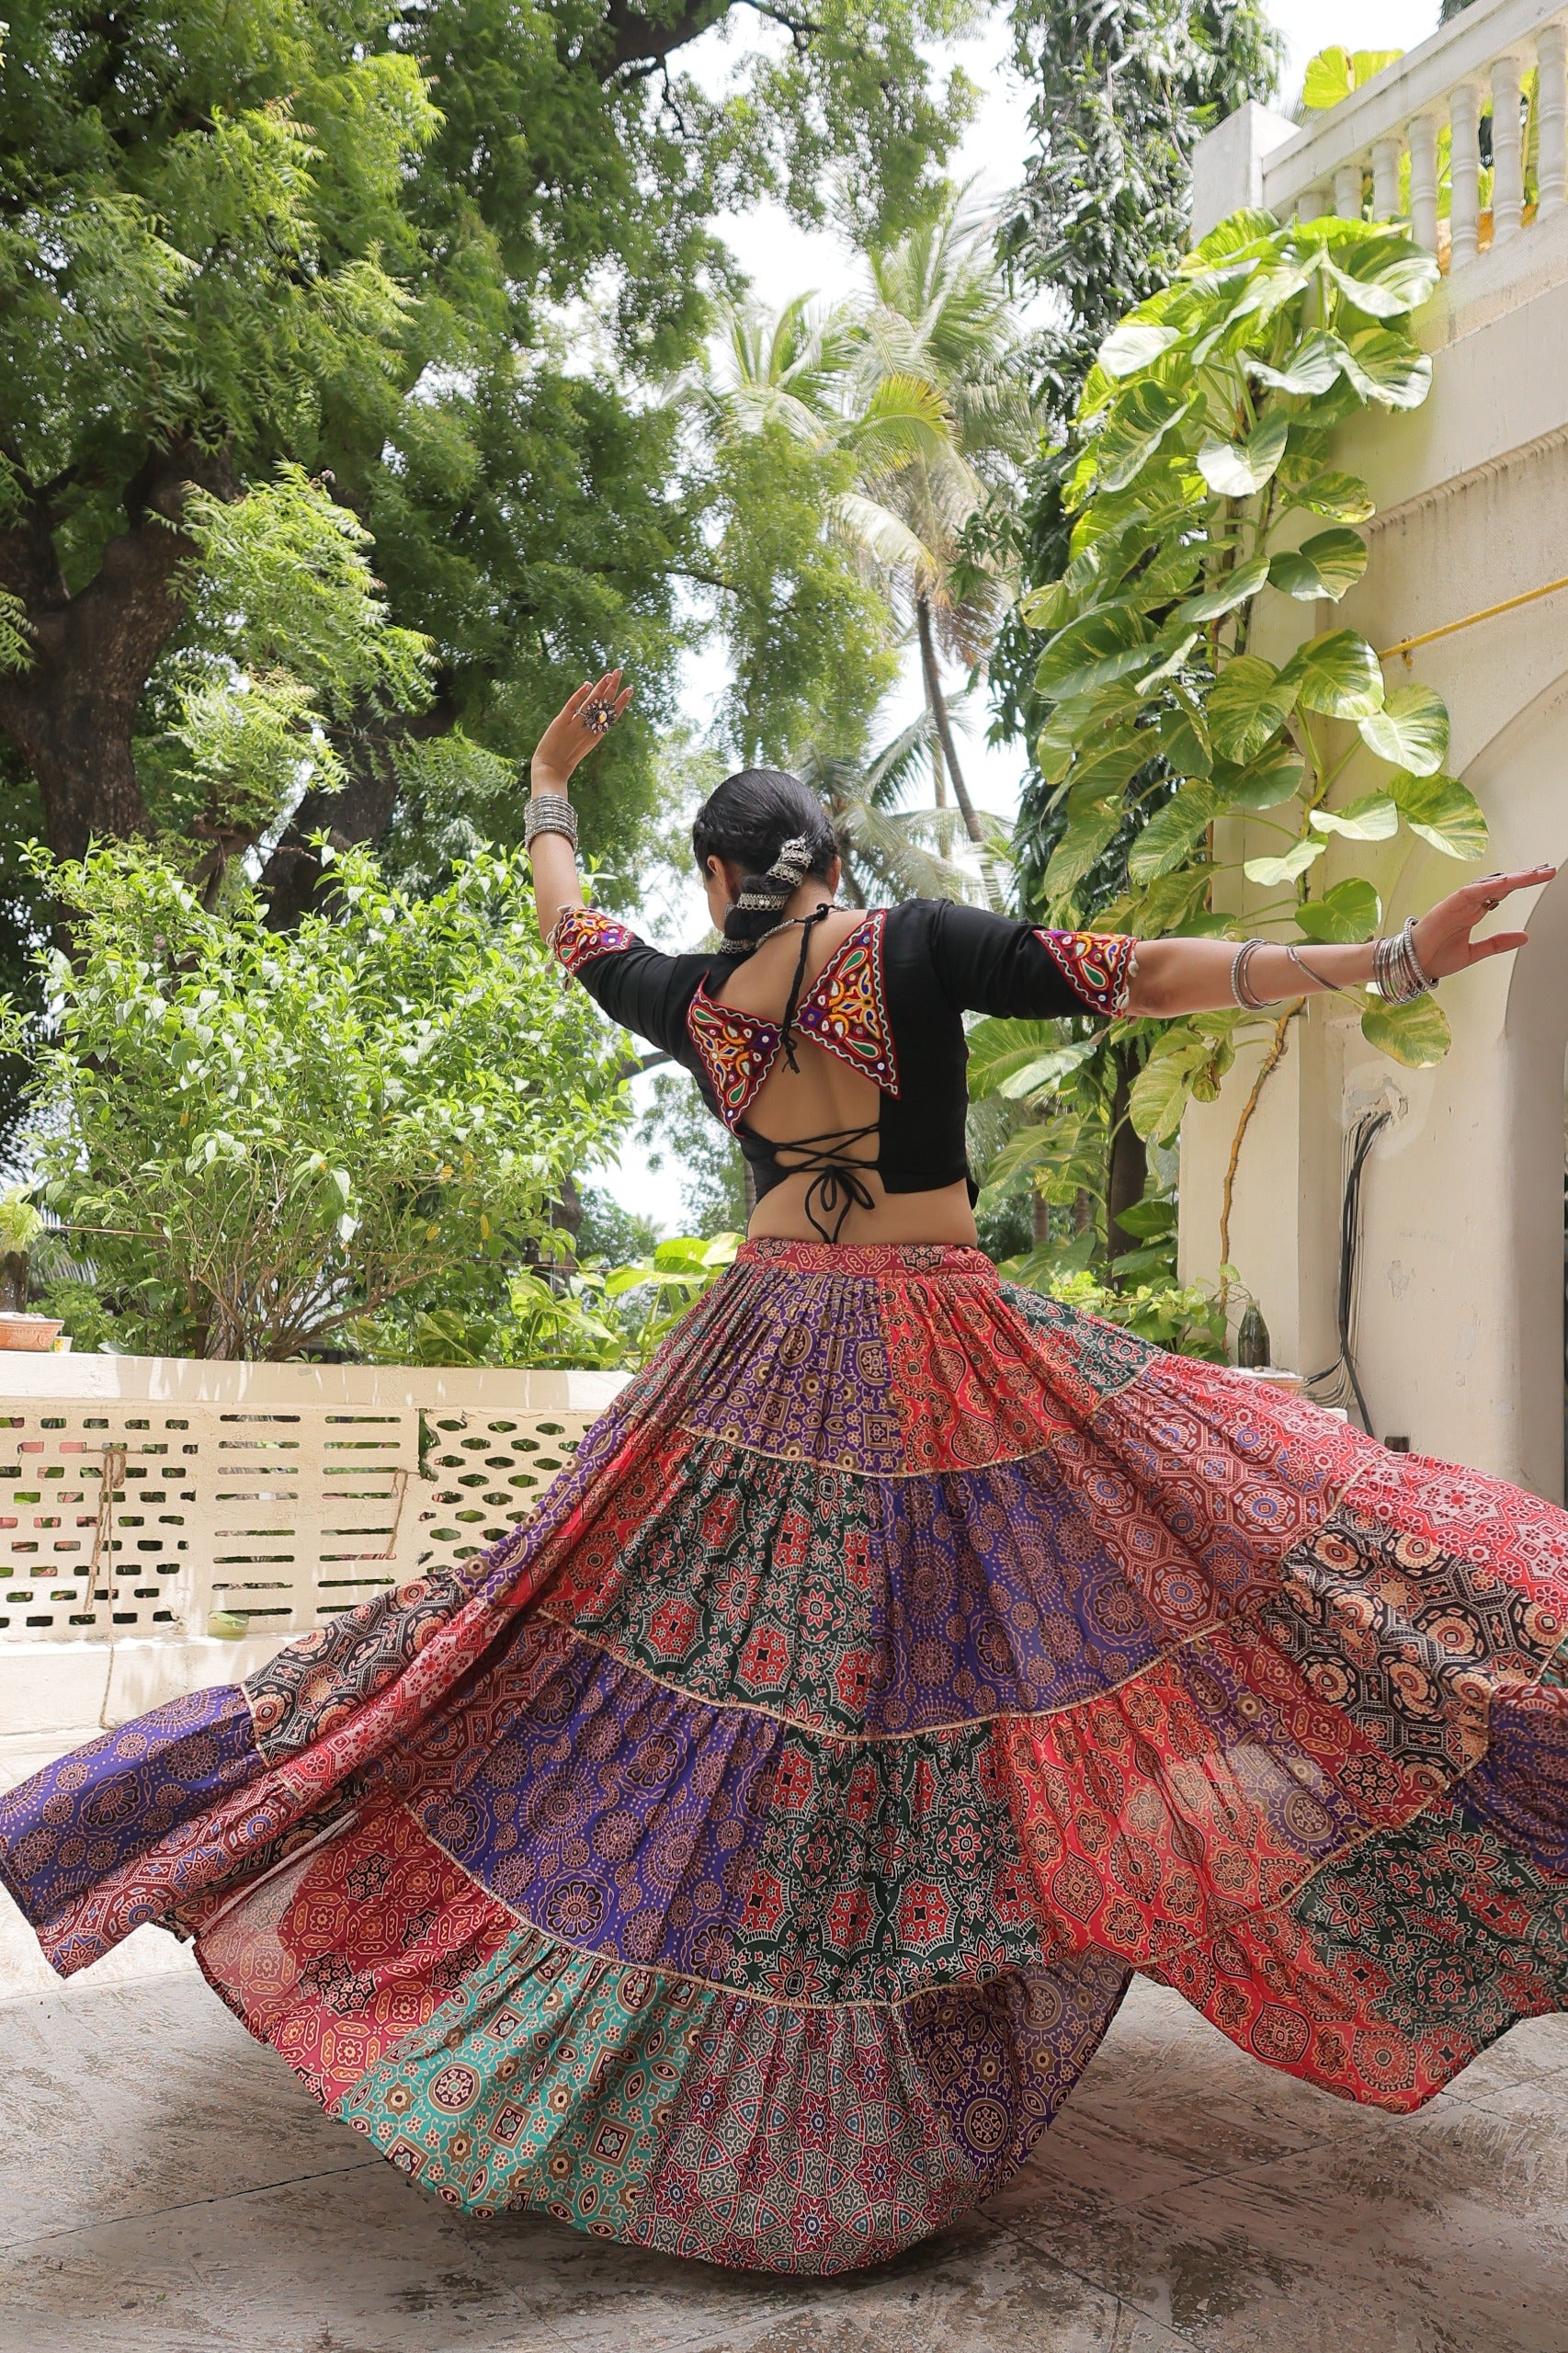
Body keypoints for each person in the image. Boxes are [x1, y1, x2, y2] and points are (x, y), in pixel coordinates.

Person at [1, 670, 1564, 2281]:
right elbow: (1134, 974)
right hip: (939, 1359)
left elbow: (568, 925)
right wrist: (1383, 957)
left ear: (717, 878)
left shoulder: (687, 991)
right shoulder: (911, 944)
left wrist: (549, 779)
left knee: (577, 1658)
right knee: (1114, 1599)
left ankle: (708, 2077)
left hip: (747, 1360)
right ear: (832, 862)